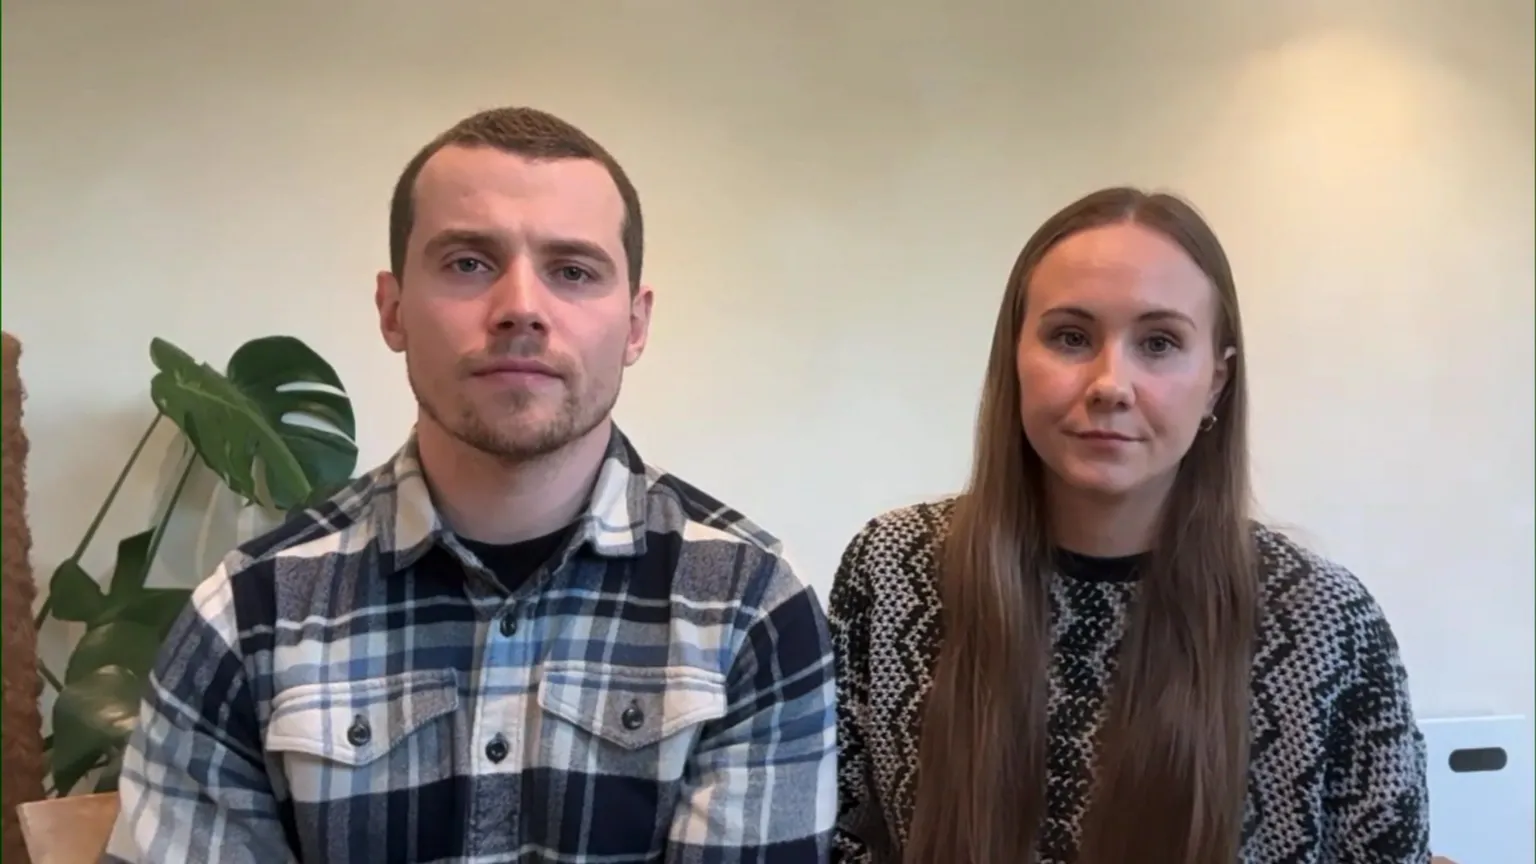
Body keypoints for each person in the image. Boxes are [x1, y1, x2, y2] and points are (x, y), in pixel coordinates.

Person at [104, 106, 837, 864]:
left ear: (636, 324)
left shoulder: (752, 608)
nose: (520, 307)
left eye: (573, 271)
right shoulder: (248, 616)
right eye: (468, 264)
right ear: (393, 310)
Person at [829, 187, 1430, 863]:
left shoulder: (1327, 623)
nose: (1110, 383)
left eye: (1159, 343)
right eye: (1071, 337)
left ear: (1216, 382)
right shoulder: (894, 570)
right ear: (1014, 360)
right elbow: (834, 840)